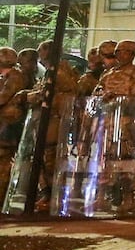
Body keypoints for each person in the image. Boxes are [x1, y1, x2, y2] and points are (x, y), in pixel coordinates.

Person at [20, 41, 82, 212]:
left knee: (49, 159)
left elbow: (59, 95)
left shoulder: (59, 71)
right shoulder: (52, 70)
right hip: (45, 122)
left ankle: (52, 196)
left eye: (41, 50)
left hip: (53, 122)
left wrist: (27, 97)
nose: (39, 53)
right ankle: (47, 195)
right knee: (44, 159)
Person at [96, 39, 135, 214]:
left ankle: (128, 197)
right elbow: (96, 93)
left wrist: (118, 99)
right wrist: (102, 97)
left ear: (132, 54)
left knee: (126, 161)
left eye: (124, 52)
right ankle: (102, 196)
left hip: (126, 125)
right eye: (118, 52)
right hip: (107, 124)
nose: (119, 55)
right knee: (104, 161)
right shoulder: (108, 74)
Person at [0, 47, 25, 194]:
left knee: (3, 165)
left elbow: (3, 98)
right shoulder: (7, 76)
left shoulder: (15, 76)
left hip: (8, 127)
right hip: (4, 125)